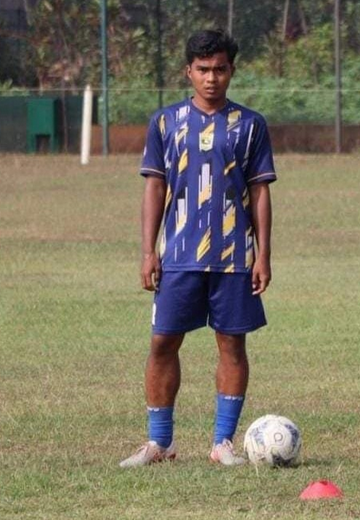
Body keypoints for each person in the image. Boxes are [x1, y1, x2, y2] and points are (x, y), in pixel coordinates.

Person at [120, 29, 277, 468]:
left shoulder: (250, 125)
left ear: (232, 71)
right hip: (179, 255)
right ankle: (159, 443)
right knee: (162, 342)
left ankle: (222, 443)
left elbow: (260, 192)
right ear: (188, 71)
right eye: (203, 69)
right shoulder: (166, 123)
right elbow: (155, 187)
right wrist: (149, 250)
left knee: (231, 343)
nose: (212, 78)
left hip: (232, 257)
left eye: (220, 69)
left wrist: (262, 253)